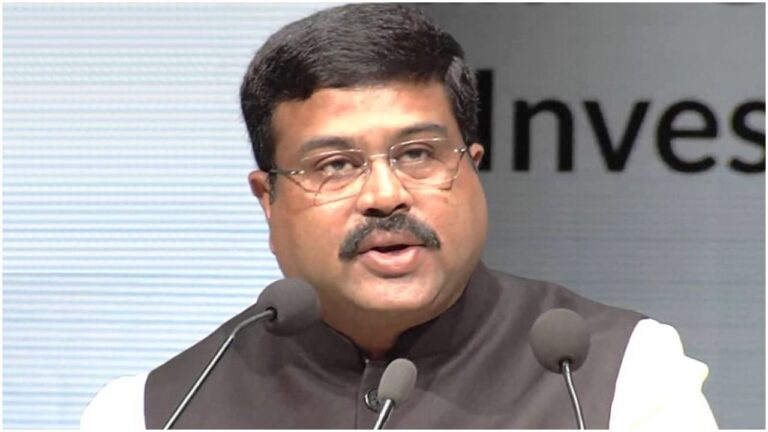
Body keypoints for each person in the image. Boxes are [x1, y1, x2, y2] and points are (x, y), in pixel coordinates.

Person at [81, 4, 718, 429]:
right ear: (267, 199)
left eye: (417, 154)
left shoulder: (621, 375)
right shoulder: (154, 413)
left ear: (472, 168)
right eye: (335, 165)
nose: (385, 195)